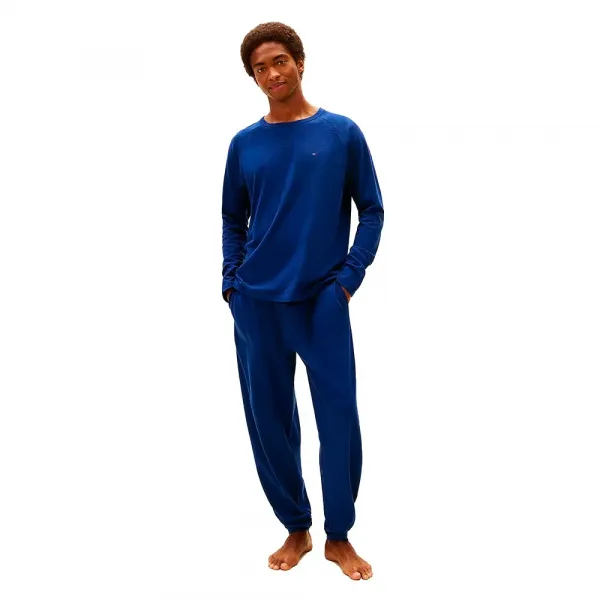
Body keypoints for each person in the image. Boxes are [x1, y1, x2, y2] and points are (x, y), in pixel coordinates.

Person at [221, 21, 384, 581]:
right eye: (260, 68)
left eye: (279, 61)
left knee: (338, 420)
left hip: (322, 301)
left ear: (299, 62)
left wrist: (348, 279)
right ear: (253, 78)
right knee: (269, 422)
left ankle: (339, 536)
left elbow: (372, 209)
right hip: (256, 304)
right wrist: (231, 281)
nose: (272, 73)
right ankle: (296, 527)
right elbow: (232, 216)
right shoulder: (244, 144)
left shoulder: (341, 133)